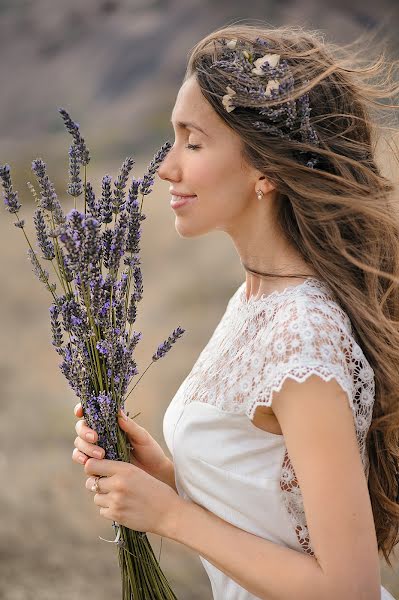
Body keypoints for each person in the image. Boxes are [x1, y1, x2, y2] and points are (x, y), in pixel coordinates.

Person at [73, 23, 399, 599]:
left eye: (192, 143)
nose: (167, 168)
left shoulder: (303, 337)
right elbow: (270, 505)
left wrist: (170, 517)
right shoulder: (256, 300)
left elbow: (349, 589)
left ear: (266, 169)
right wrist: (168, 480)